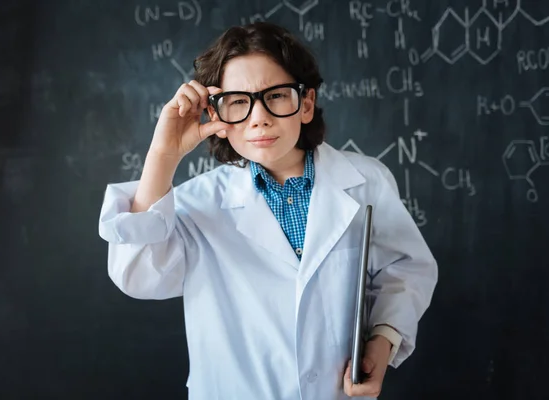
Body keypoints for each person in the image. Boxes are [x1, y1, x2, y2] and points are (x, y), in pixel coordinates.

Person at [98, 21, 437, 400]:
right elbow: (138, 276)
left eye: (276, 96)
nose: (259, 117)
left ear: (305, 104)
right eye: (238, 101)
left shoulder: (366, 181)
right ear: (218, 118)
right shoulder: (198, 204)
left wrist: (383, 339)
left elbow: (405, 268)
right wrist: (164, 154)